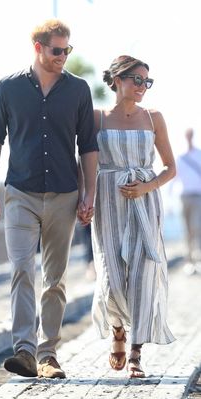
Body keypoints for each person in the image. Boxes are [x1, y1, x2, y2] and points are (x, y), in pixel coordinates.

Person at [0, 19, 98, 379]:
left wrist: (88, 193)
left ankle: (48, 354)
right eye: (57, 50)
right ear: (38, 48)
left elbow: (88, 146)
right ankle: (25, 351)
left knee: (56, 278)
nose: (63, 56)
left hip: (64, 195)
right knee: (21, 270)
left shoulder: (78, 90)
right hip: (19, 193)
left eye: (67, 50)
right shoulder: (8, 87)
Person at [91, 55, 176, 378]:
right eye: (136, 80)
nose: (142, 87)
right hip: (108, 202)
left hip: (145, 204)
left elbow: (170, 167)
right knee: (111, 277)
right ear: (116, 80)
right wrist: (85, 199)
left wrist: (146, 187)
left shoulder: (154, 118)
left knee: (143, 276)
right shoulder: (96, 118)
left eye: (146, 81)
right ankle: (117, 328)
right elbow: (85, 161)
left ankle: (137, 352)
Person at [176, 128, 201, 275]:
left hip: (197, 196)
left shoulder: (199, 155)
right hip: (184, 196)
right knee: (187, 229)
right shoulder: (180, 157)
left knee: (196, 227)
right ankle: (189, 261)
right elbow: (175, 178)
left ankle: (197, 260)